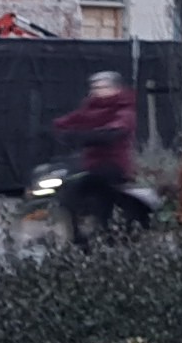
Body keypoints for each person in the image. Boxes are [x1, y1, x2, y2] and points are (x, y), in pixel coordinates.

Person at [50, 70, 149, 245]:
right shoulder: (91, 107)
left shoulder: (124, 109)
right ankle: (79, 231)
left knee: (85, 192)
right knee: (67, 185)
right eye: (95, 87)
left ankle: (91, 239)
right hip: (92, 162)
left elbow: (116, 130)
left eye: (102, 86)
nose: (97, 90)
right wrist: (57, 128)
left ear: (116, 89)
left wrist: (85, 137)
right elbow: (71, 119)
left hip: (112, 164)